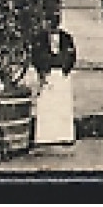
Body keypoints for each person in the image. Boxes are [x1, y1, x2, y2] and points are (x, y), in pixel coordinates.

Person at [30, 16, 77, 146]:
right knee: (47, 106)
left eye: (55, 22)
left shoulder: (67, 38)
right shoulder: (39, 39)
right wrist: (42, 71)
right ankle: (46, 137)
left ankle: (64, 136)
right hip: (47, 74)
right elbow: (35, 56)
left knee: (62, 105)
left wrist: (66, 69)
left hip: (62, 74)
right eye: (50, 23)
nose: (52, 25)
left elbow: (72, 55)